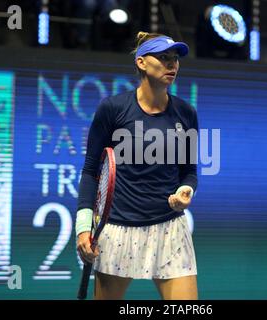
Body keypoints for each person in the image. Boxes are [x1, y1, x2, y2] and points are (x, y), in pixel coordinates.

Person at [75, 31, 199, 300]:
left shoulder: (186, 113)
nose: (172, 65)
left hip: (170, 230)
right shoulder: (112, 109)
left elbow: (188, 171)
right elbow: (90, 172)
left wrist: (186, 190)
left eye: (175, 59)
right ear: (141, 62)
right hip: (119, 229)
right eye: (164, 58)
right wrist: (83, 227)